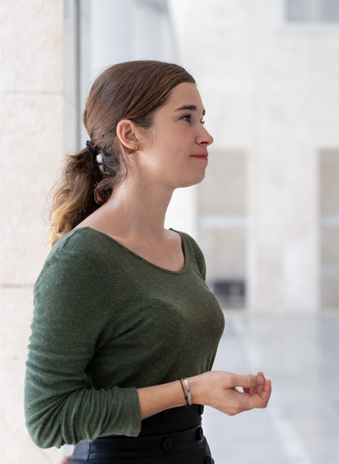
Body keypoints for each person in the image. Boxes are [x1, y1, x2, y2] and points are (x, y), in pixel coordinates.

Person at [24, 60, 271, 463]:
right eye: (186, 118)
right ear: (130, 135)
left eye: (202, 119)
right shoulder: (81, 259)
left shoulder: (187, 251)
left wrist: (206, 392)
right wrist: (190, 390)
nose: (205, 136)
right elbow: (47, 418)